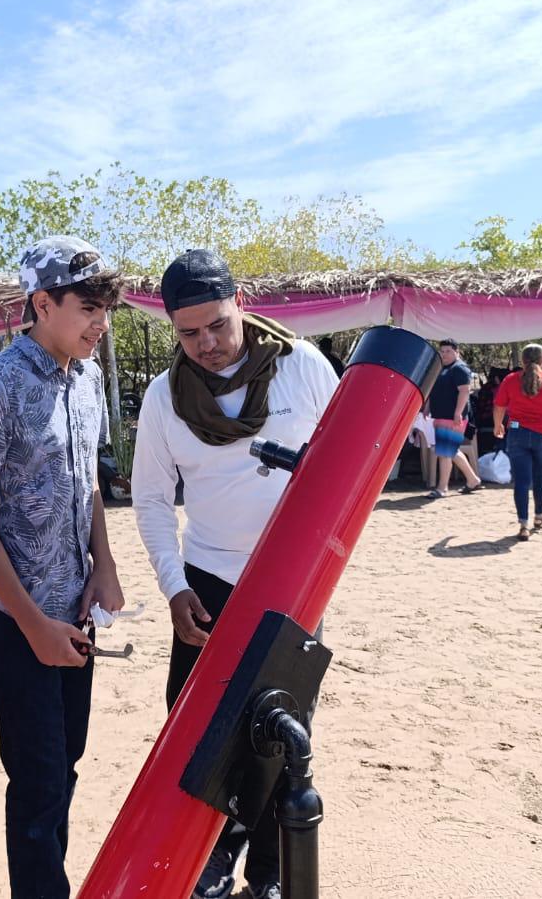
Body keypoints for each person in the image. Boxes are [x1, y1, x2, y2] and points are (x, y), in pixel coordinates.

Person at [130, 249, 339, 899]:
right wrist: (174, 586)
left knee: (279, 733)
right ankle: (210, 855)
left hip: (295, 581)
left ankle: (270, 875)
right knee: (195, 729)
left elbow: (349, 471)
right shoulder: (165, 396)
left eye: (217, 324)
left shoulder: (303, 368)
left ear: (240, 300)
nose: (207, 344)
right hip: (208, 580)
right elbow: (151, 499)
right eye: (188, 333)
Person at [0, 235, 125, 898]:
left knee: (68, 767)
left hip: (77, 608)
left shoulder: (88, 380)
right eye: (87, 306)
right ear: (42, 302)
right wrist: (32, 624)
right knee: (37, 781)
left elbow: (87, 489)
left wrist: (103, 564)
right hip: (16, 617)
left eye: (105, 308)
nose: (99, 322)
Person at [492, 343, 542, 541]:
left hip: (518, 434)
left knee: (521, 480)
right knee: (541, 476)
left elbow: (499, 406)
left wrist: (497, 426)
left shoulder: (511, 380)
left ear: (522, 361)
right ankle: (539, 516)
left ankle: (523, 524)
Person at [424, 339, 483, 498]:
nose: (444, 354)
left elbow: (464, 391)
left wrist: (458, 413)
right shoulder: (441, 368)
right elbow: (433, 390)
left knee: (445, 452)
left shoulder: (459, 369)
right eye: (442, 351)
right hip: (441, 415)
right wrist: (428, 406)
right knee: (449, 451)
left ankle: (442, 488)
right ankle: (473, 480)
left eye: (448, 351)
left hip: (453, 418)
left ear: (457, 352)